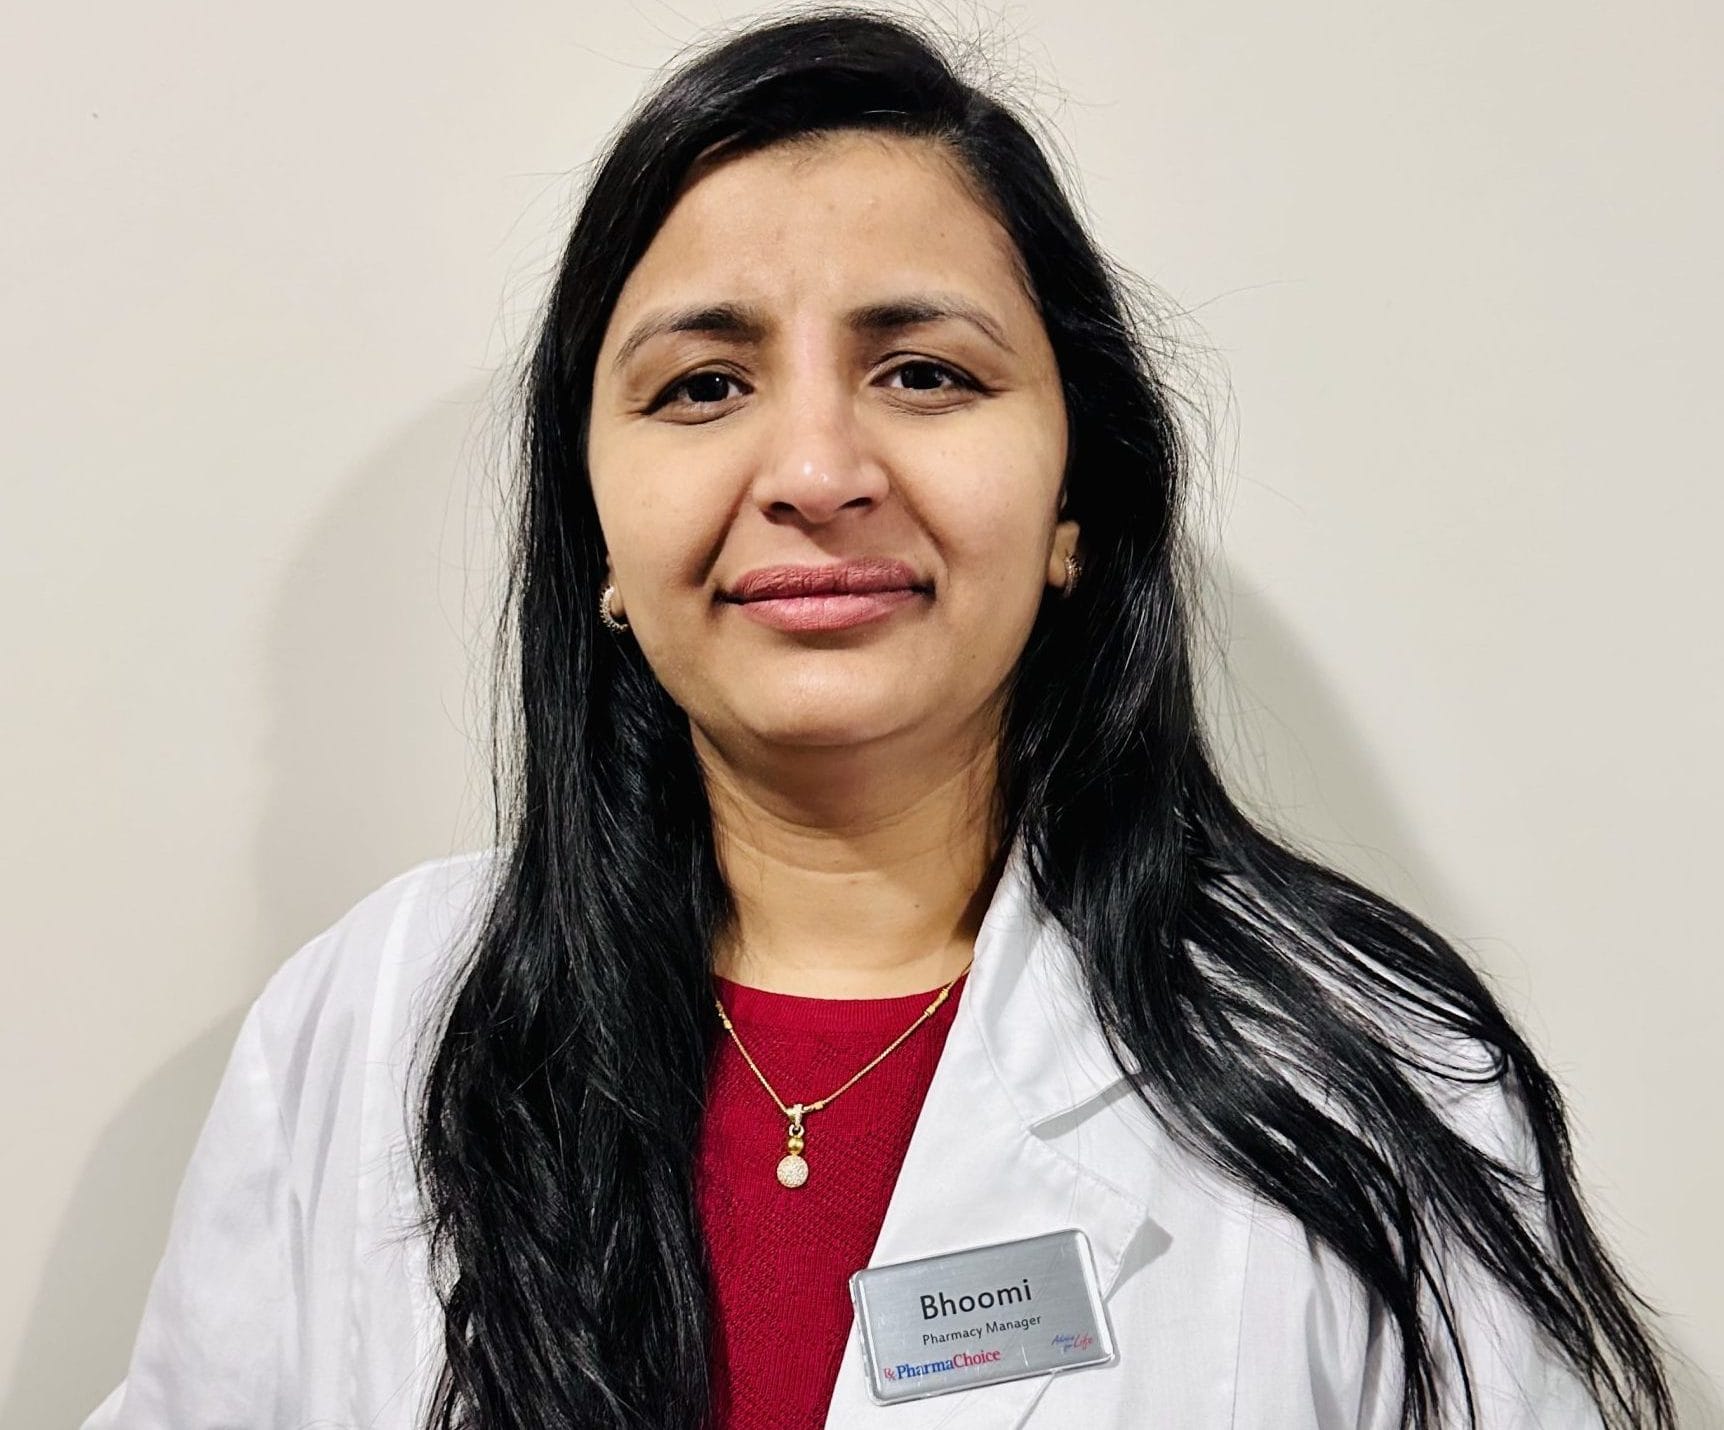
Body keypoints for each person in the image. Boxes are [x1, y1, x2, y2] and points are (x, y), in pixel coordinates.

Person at [85, 8, 1676, 1429]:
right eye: (703, 386)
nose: (815, 470)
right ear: (600, 536)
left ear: (1075, 503)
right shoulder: (364, 1028)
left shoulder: (1370, 1066)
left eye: (923, 373)